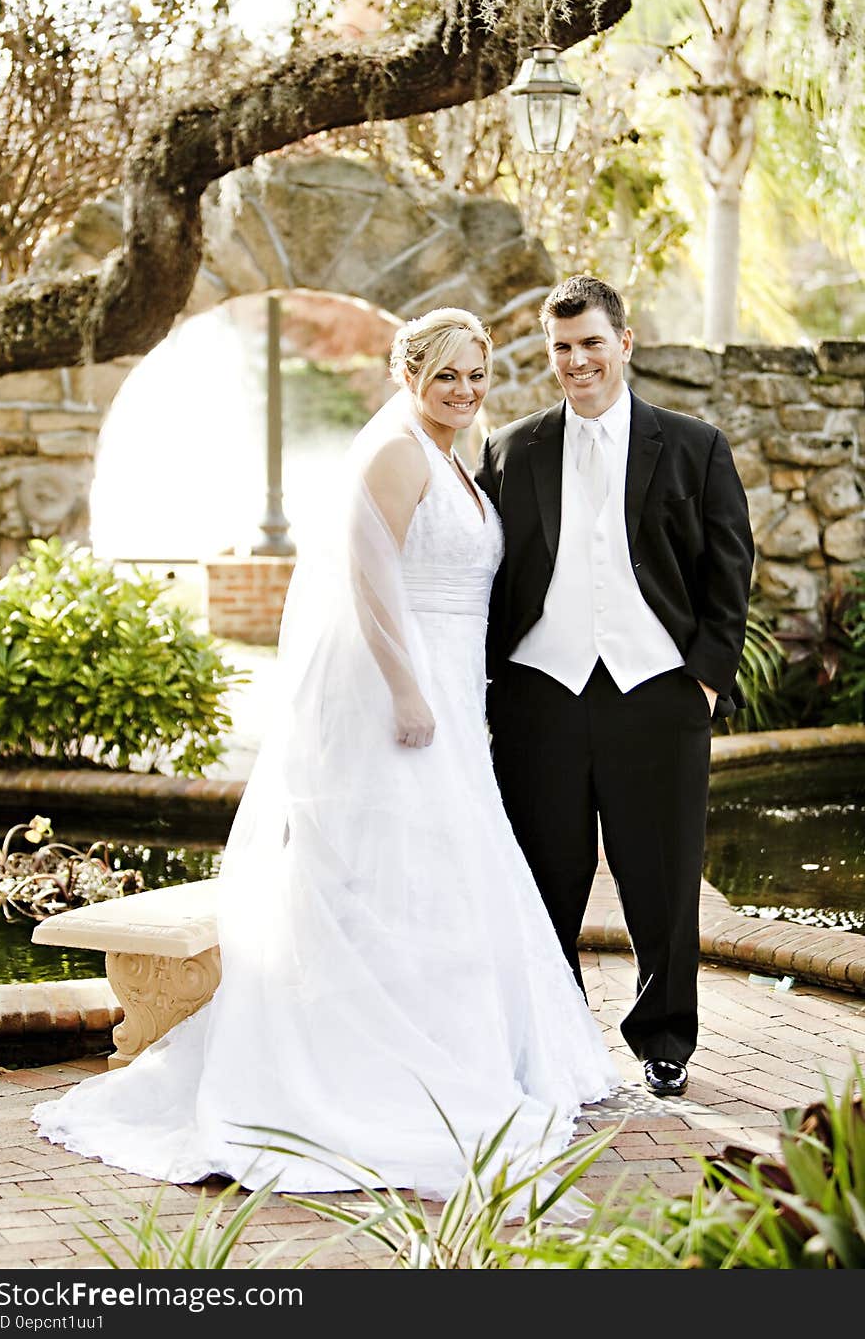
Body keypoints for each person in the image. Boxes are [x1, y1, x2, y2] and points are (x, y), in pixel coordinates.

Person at [32, 308, 619, 1198]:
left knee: (456, 872)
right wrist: (408, 691)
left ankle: (471, 1049)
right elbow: (367, 576)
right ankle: (377, 1069)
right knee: (401, 873)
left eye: (476, 374)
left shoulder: (459, 461)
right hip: (406, 697)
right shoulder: (393, 453)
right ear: (408, 376)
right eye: (446, 375)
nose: (463, 390)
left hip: (458, 696)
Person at [475, 276, 754, 1099]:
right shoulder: (512, 449)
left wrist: (703, 682)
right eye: (562, 348)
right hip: (540, 696)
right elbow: (490, 577)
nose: (577, 361)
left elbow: (729, 570)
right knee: (546, 877)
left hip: (659, 696)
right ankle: (557, 1037)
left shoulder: (694, 444)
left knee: (662, 878)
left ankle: (664, 1037)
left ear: (623, 344)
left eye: (592, 343)